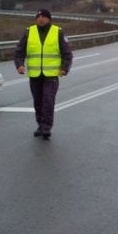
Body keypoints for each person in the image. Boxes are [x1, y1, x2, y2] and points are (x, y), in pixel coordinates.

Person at [14, 9, 73, 139]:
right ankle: (40, 125)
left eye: (44, 17)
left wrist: (65, 68)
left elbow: (67, 53)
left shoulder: (57, 32)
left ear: (49, 19)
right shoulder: (29, 32)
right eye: (39, 17)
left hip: (51, 74)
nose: (41, 19)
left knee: (48, 100)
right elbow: (19, 51)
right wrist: (19, 65)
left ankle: (46, 127)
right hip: (35, 74)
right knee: (38, 101)